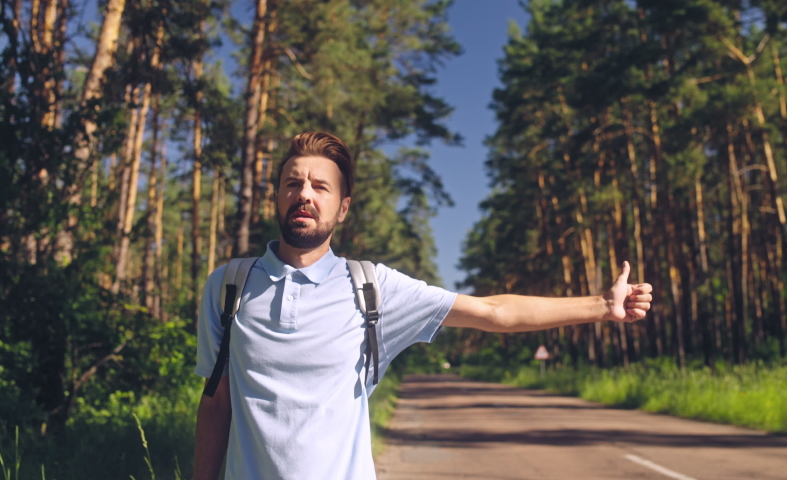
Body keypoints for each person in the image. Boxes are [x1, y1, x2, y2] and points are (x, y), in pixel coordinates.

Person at [193, 132, 653, 480]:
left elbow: (495, 312)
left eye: (320, 186)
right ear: (277, 195)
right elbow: (216, 406)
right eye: (293, 183)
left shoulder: (372, 288)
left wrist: (601, 305)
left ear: (343, 208)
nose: (305, 194)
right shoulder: (228, 287)